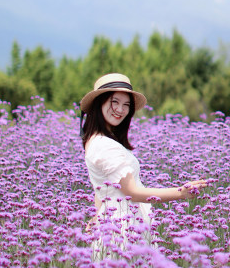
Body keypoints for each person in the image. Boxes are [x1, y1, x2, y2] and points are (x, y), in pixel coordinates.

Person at [80, 73, 206, 258]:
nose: (120, 110)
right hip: (122, 232)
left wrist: (98, 215)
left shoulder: (97, 140)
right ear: (99, 103)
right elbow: (132, 192)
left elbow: (102, 189)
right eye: (114, 102)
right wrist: (180, 193)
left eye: (126, 105)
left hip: (116, 226)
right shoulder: (104, 145)